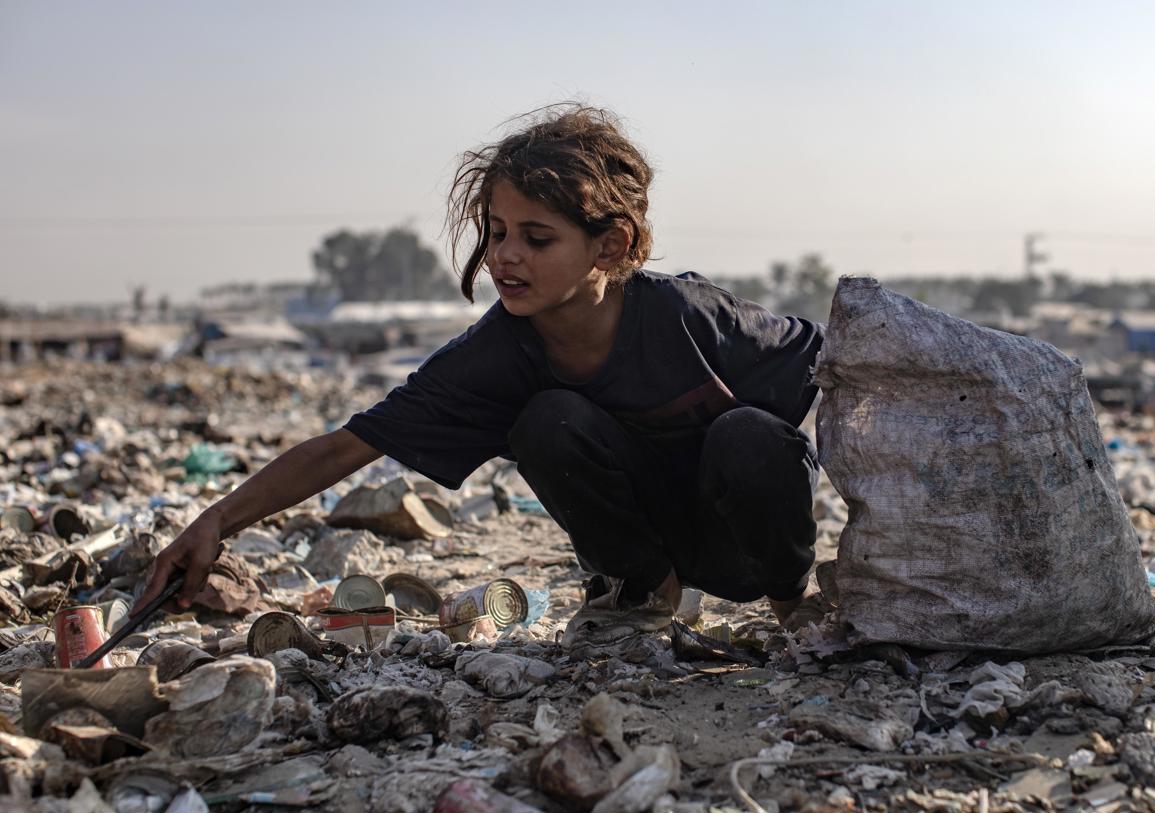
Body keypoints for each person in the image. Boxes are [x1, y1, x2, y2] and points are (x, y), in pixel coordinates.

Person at [135, 104, 826, 648]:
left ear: (609, 245)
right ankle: (644, 592)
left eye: (537, 237)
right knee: (546, 420)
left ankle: (796, 607)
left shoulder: (686, 316)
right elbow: (349, 444)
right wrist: (214, 521)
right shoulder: (497, 353)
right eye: (496, 231)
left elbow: (839, 369)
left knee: (750, 435)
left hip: (746, 546)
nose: (505, 257)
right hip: (649, 541)